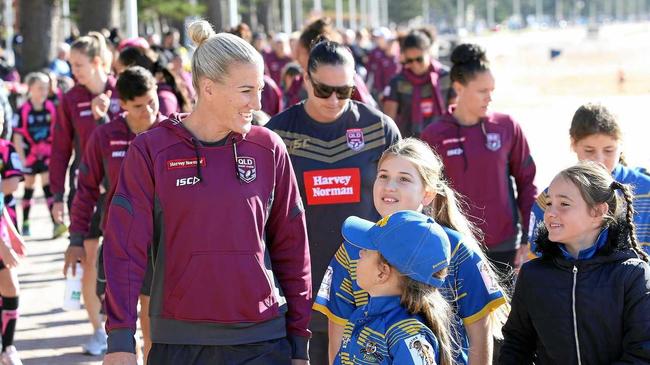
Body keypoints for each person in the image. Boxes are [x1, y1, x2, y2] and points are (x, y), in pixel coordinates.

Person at [102, 20, 311, 365]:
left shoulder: (268, 147)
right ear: (208, 88)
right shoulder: (151, 150)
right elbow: (125, 250)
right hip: (179, 341)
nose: (257, 103)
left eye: (259, 89)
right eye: (246, 91)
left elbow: (292, 246)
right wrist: (121, 339)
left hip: (263, 339)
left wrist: (299, 341)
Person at [315, 138, 508, 365]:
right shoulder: (353, 247)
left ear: (427, 193)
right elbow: (339, 336)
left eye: (404, 179)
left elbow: (479, 335)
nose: (389, 186)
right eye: (383, 175)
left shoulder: (457, 248)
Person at [266, 39, 400, 364]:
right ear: (306, 81)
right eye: (324, 90)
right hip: (300, 288)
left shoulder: (378, 129)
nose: (334, 99)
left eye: (344, 90)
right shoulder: (277, 135)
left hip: (369, 288)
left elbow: (405, 208)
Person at [500, 161, 650, 364]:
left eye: (564, 204)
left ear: (597, 212)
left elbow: (642, 353)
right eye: (549, 203)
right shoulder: (532, 275)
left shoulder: (633, 275)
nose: (551, 212)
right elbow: (516, 344)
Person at [66, 66, 164, 364]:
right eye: (138, 106)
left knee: (152, 329)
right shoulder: (104, 136)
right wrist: (76, 238)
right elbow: (85, 191)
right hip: (119, 242)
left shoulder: (172, 132)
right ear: (122, 105)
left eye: (152, 102)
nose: (148, 111)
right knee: (120, 328)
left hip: (161, 244)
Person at [421, 43, 537, 277]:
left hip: (504, 246)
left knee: (507, 314)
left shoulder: (506, 126)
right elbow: (423, 196)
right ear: (459, 87)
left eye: (492, 90)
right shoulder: (435, 134)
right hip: (454, 246)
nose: (490, 97)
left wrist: (529, 238)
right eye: (482, 91)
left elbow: (527, 184)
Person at [50, 31, 121, 356]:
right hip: (87, 192)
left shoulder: (122, 90)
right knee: (90, 259)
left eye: (78, 65)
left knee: (128, 260)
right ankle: (99, 330)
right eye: (70, 65)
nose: (72, 72)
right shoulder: (70, 99)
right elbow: (60, 150)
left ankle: (127, 325)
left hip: (124, 191)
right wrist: (55, 194)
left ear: (97, 62)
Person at [333, 210, 453, 365]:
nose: (360, 253)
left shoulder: (408, 334)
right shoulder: (361, 315)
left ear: (383, 272)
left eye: (367, 251)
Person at [529, 103, 650, 254]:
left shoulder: (647, 190)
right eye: (589, 150)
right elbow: (537, 255)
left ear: (621, 145)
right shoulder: (554, 196)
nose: (599, 160)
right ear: (573, 143)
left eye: (609, 150)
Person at [285, 18, 376, 109]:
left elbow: (368, 113)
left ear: (312, 53)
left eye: (300, 52)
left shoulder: (348, 81)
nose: (296, 57)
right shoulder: (297, 83)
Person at [12, 72, 61, 236]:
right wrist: (22, 159)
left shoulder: (51, 108)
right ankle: (25, 223)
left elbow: (57, 133)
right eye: (40, 88)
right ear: (30, 89)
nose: (43, 91)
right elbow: (17, 137)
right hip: (30, 156)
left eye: (46, 88)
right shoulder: (23, 111)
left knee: (48, 187)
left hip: (47, 154)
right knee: (29, 186)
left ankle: (56, 224)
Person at [383, 29, 447, 138]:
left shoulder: (446, 77)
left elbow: (455, 113)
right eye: (409, 60)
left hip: (442, 139)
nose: (415, 64)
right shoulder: (397, 82)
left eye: (419, 59)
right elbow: (389, 121)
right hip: (410, 144)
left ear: (429, 52)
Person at [0, 105, 26, 365]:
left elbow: (4, 194)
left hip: (2, 232)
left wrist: (11, 233)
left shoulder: (5, 148)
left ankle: (7, 348)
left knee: (10, 287)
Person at [366, 27, 399, 100]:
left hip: (393, 89)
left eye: (380, 37)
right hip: (378, 89)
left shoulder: (395, 52)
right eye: (377, 38)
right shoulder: (374, 52)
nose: (378, 40)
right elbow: (370, 70)